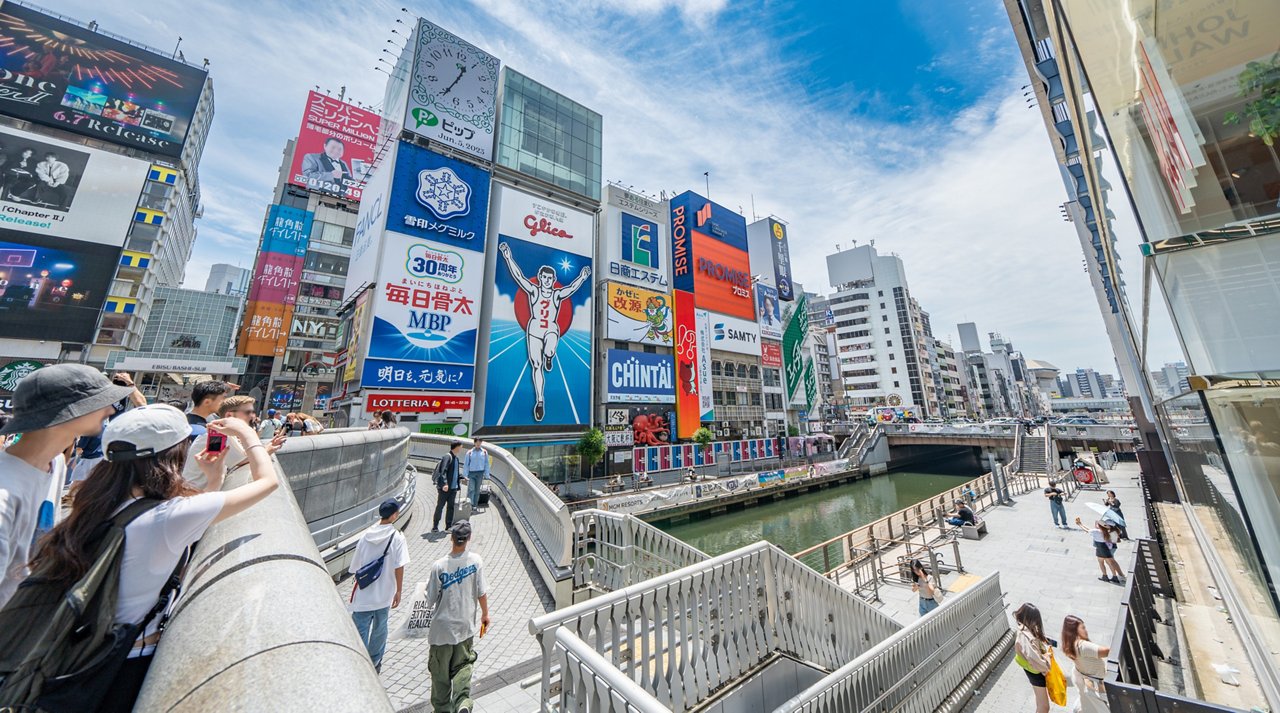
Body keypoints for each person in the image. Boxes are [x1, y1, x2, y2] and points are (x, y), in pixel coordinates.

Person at [29, 405, 278, 710]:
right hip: (121, 662)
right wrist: (247, 434)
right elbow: (268, 482)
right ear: (173, 456)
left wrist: (214, 480)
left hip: (68, 652)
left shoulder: (91, 499)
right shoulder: (169, 516)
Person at [0, 365, 135, 607]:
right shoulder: (5, 492)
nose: (110, 409)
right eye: (99, 402)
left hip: (28, 608)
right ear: (68, 412)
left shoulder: (55, 463)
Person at [497, 240, 590, 422]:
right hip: (534, 329)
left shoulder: (556, 294)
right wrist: (508, 257)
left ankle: (549, 356)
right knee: (536, 365)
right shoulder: (534, 291)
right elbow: (519, 277)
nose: (547, 281)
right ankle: (540, 400)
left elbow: (571, 288)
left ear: (553, 280)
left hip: (551, 329)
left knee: (549, 349)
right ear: (540, 278)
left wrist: (582, 277)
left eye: (550, 278)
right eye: (544, 277)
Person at [426, 521, 489, 713]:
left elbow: (430, 599)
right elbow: (481, 592)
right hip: (465, 627)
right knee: (463, 665)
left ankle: (442, 710)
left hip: (441, 632)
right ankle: (462, 702)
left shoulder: (439, 566)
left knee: (440, 677)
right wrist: (485, 614)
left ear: (451, 538)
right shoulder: (476, 561)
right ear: (469, 538)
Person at [348, 499, 409, 673]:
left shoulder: (365, 536)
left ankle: (359, 663)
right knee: (380, 629)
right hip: (384, 594)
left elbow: (355, 567)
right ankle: (375, 662)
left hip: (364, 595)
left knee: (360, 629)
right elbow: (399, 566)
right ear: (394, 515)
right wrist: (399, 590)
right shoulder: (397, 538)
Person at [183, 395, 286, 490]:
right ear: (229, 415)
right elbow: (242, 461)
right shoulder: (215, 435)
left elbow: (242, 457)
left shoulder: (224, 434)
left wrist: (267, 447)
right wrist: (267, 449)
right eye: (248, 412)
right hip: (196, 496)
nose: (252, 416)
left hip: (201, 494)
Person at [69, 372, 147, 485]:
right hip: (106, 454)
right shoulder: (105, 401)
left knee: (84, 486)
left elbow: (142, 406)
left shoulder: (117, 401)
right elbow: (142, 405)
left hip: (105, 454)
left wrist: (129, 385)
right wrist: (130, 384)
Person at [1061, 615, 1111, 713]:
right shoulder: (1082, 645)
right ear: (1075, 630)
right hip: (1094, 685)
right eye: (1083, 628)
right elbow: (1106, 651)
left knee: (1087, 706)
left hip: (1087, 682)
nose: (1086, 630)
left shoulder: (1070, 644)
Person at [1013, 603, 1053, 713]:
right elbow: (1034, 658)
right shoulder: (1025, 636)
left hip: (1032, 669)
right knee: (1044, 707)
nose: (1036, 623)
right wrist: (1046, 661)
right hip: (1036, 671)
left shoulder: (1024, 629)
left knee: (1041, 704)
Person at [1075, 517, 1125, 583]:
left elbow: (1087, 530)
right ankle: (1115, 577)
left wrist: (1080, 524)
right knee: (1110, 563)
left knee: (1102, 563)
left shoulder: (1097, 532)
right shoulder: (1110, 532)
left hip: (1100, 549)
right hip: (1107, 550)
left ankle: (1105, 576)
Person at [433, 441, 463, 532]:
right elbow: (443, 471)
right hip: (445, 488)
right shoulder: (447, 457)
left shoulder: (456, 459)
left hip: (453, 488)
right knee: (440, 506)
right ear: (457, 447)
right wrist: (445, 483)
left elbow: (455, 472)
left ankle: (448, 526)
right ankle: (435, 526)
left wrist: (462, 477)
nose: (461, 448)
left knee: (451, 507)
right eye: (460, 446)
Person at [463, 439, 489, 511]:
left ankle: (475, 505)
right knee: (471, 489)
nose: (478, 444)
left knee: (477, 490)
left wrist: (487, 474)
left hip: (480, 473)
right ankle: (470, 504)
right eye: (477, 442)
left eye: (480, 443)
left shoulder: (484, 452)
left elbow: (486, 464)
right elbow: (466, 464)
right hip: (471, 473)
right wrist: (465, 475)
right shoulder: (469, 452)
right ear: (474, 443)